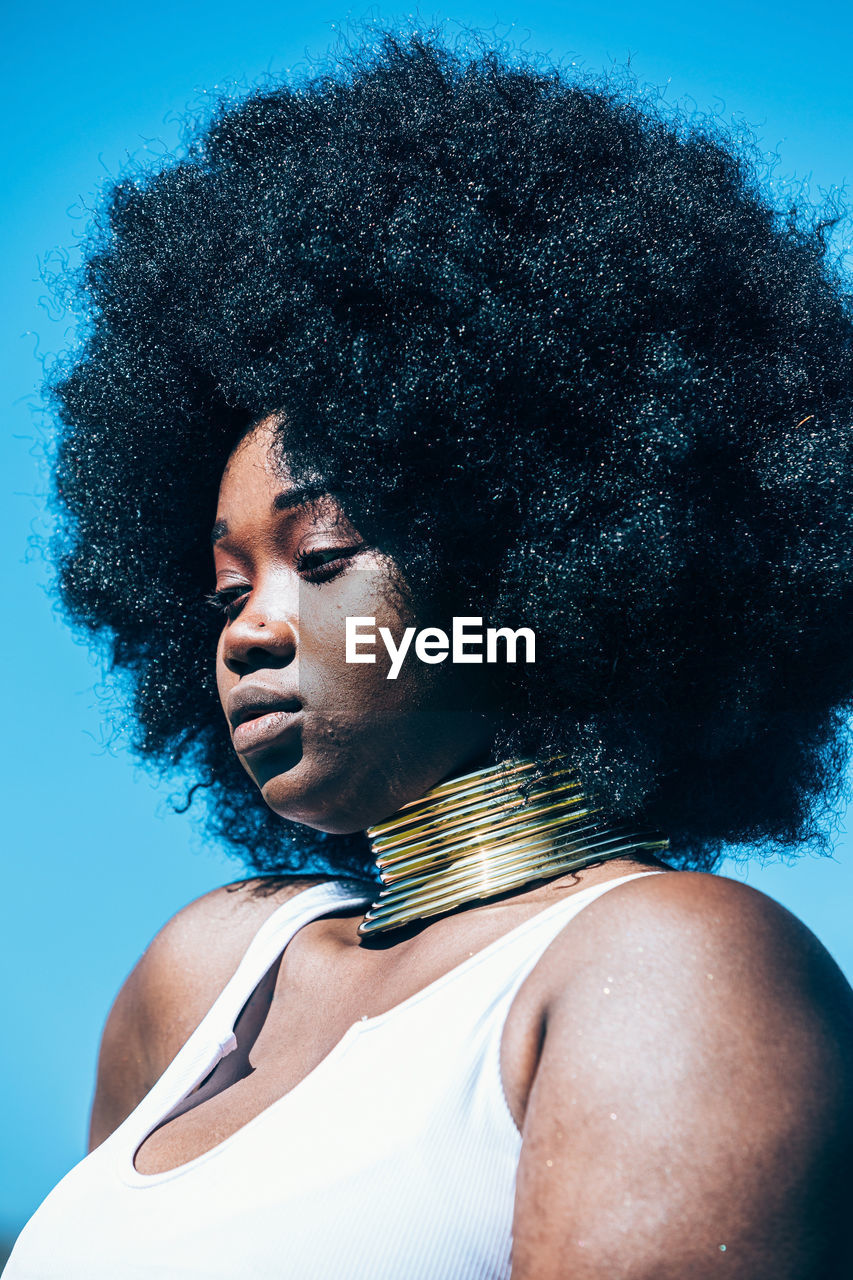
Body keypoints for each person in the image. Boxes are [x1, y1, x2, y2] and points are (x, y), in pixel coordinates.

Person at [6, 29, 853, 1280]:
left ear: (526, 579)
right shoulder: (201, 979)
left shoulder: (669, 964)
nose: (247, 625)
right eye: (226, 585)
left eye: (326, 554)